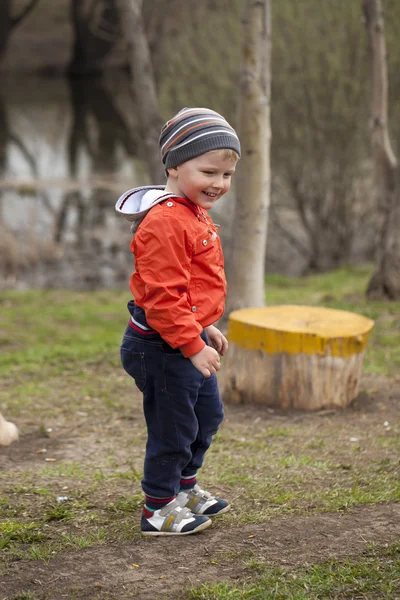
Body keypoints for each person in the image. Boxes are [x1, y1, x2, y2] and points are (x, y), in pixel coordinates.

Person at [115, 107, 240, 536]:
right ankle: (158, 508)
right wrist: (191, 344)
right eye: (209, 172)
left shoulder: (191, 209)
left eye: (226, 175)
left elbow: (188, 287)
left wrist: (203, 324)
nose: (219, 183)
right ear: (173, 166)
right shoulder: (166, 221)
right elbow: (163, 298)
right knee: (174, 428)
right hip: (161, 348)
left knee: (207, 416)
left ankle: (184, 488)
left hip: (184, 336)